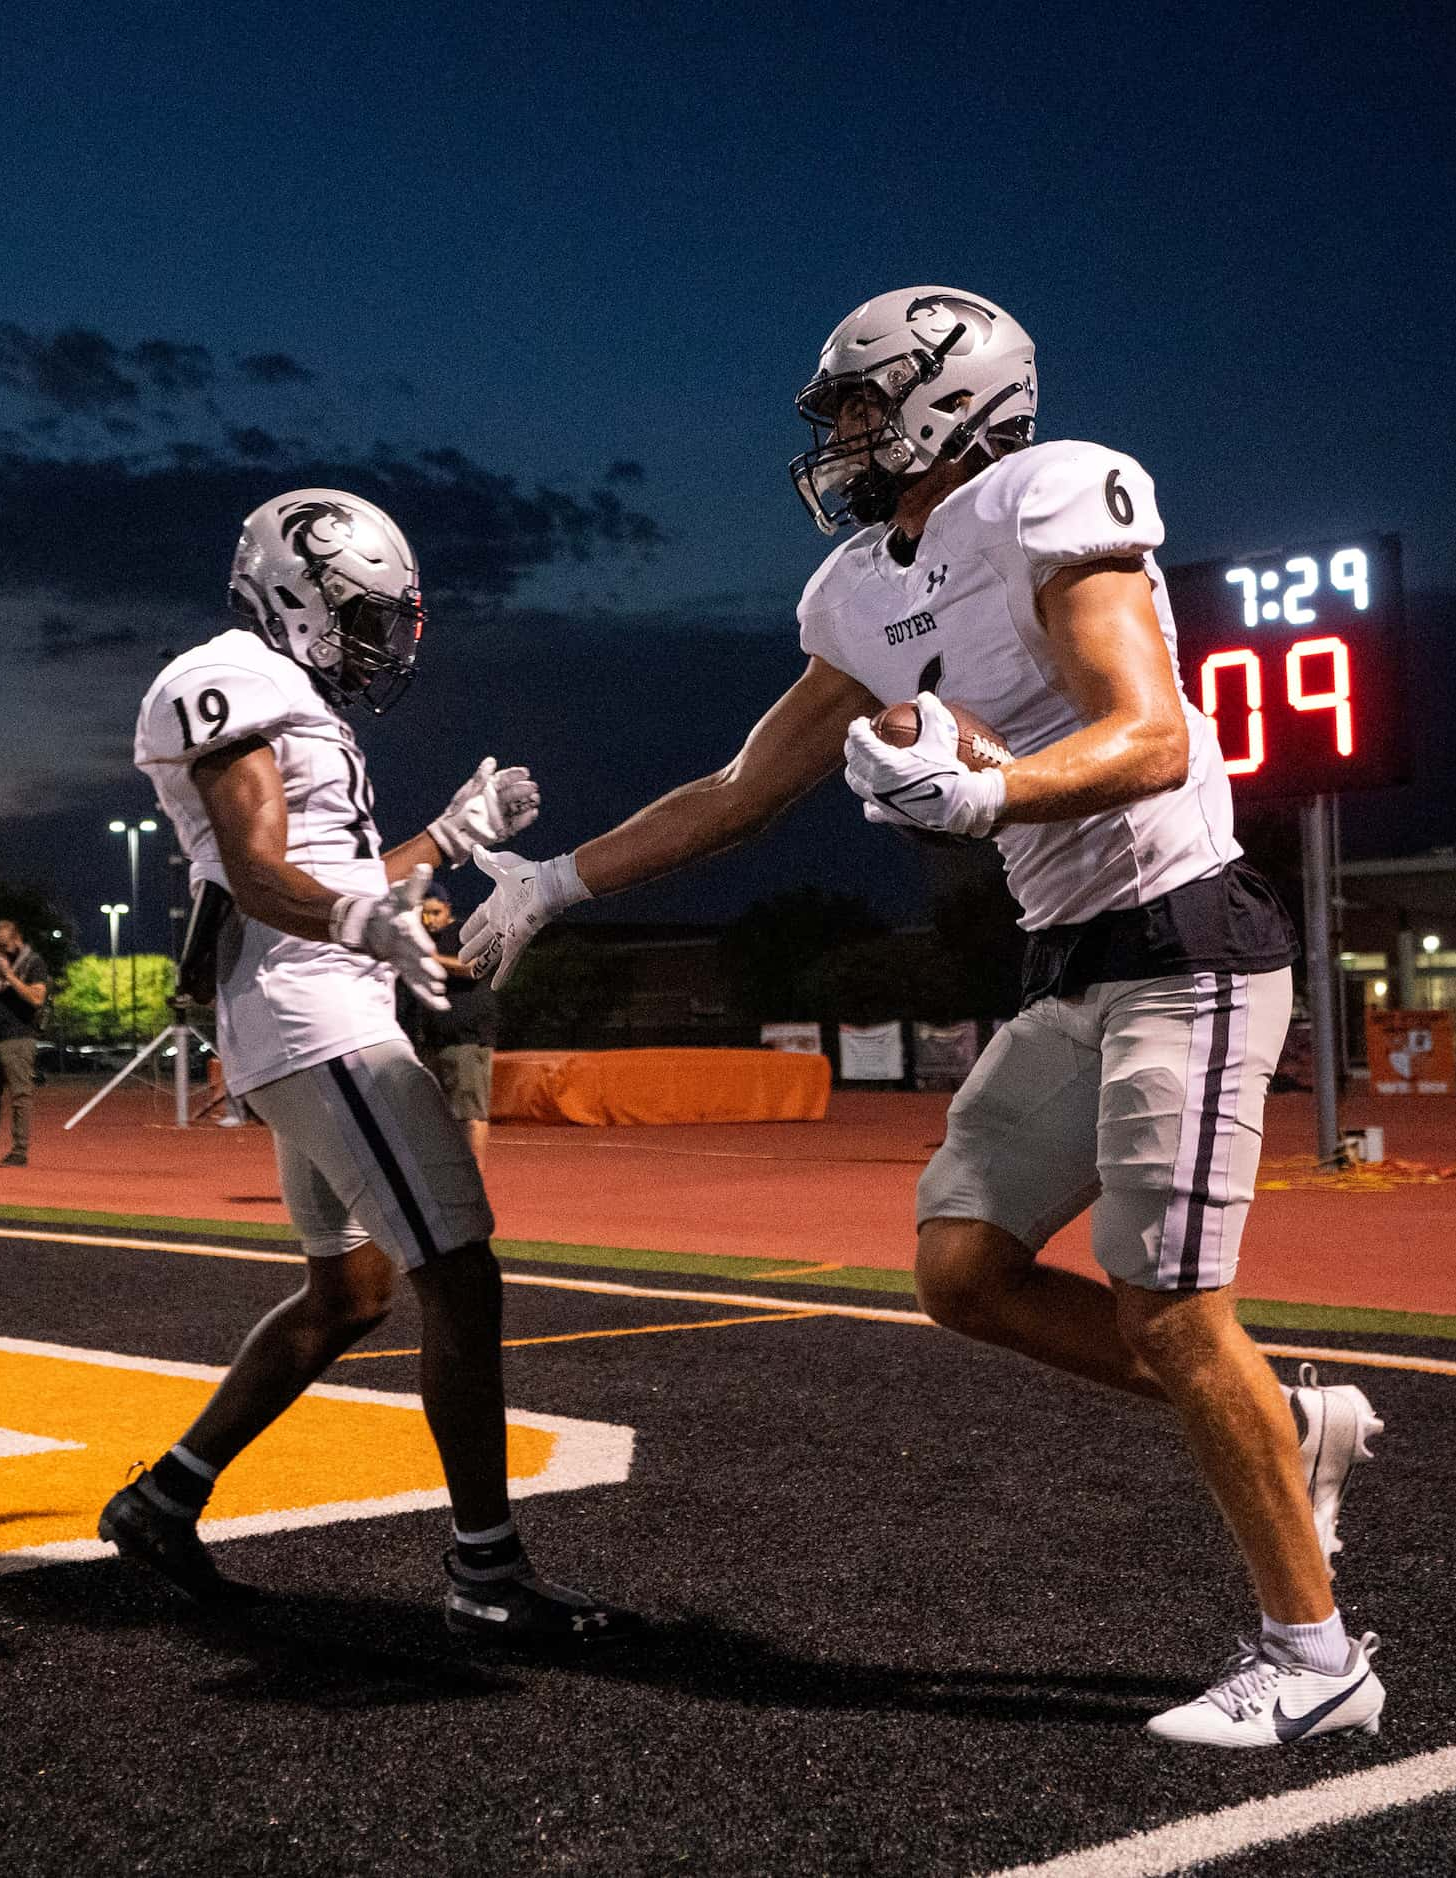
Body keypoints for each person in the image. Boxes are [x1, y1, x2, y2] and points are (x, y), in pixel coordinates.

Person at [463, 289, 1387, 1743]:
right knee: (961, 1268)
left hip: (1188, 945)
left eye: (852, 401)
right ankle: (1297, 1428)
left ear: (945, 393)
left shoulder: (1048, 495)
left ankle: (1317, 1655)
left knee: (1170, 1303)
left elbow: (1150, 731)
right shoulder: (855, 589)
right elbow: (741, 786)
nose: (836, 435)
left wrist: (991, 790)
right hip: (1066, 961)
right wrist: (551, 882)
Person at [104, 486, 633, 1643]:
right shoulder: (231, 678)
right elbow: (255, 867)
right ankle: (486, 1571)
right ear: (296, 591)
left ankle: (165, 1496)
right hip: (314, 1021)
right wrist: (360, 927)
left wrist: (450, 838)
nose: (377, 643)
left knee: (352, 1290)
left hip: (319, 1011)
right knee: (461, 1272)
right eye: (362, 616)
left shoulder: (294, 700)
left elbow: (344, 874)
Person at [403, 890, 499, 1171]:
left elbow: (477, 967)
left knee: (470, 1114)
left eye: (435, 912)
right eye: (424, 913)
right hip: (429, 1041)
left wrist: (435, 959)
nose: (429, 920)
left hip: (466, 1039)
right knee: (431, 1117)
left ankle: (474, 1176)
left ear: (447, 908)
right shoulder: (417, 940)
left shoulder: (465, 932)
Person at [0, 918, 50, 1167]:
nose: (0, 950)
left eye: (4, 945)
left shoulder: (33, 962)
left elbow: (37, 998)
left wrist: (9, 975)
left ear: (17, 940)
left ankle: (19, 1150)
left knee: (20, 1096)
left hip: (19, 1037)